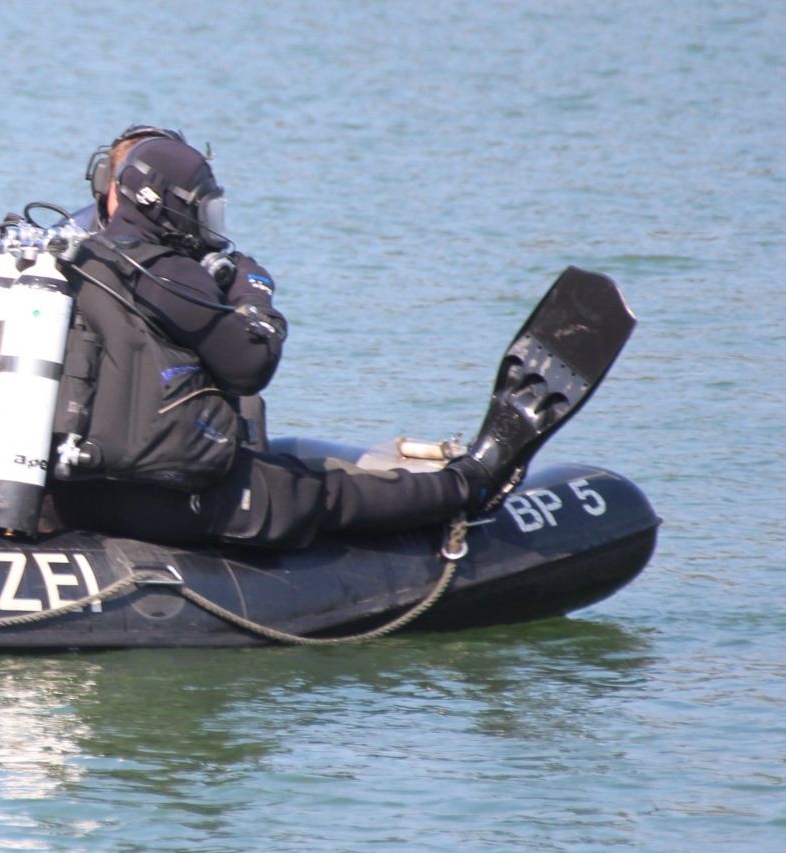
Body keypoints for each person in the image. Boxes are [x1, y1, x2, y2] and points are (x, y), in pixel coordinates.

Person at [48, 134, 516, 550]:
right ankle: (462, 487)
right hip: (161, 498)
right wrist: (255, 294)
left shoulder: (75, 257)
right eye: (202, 208)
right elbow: (250, 366)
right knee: (318, 492)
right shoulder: (164, 271)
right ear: (166, 203)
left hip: (74, 494)